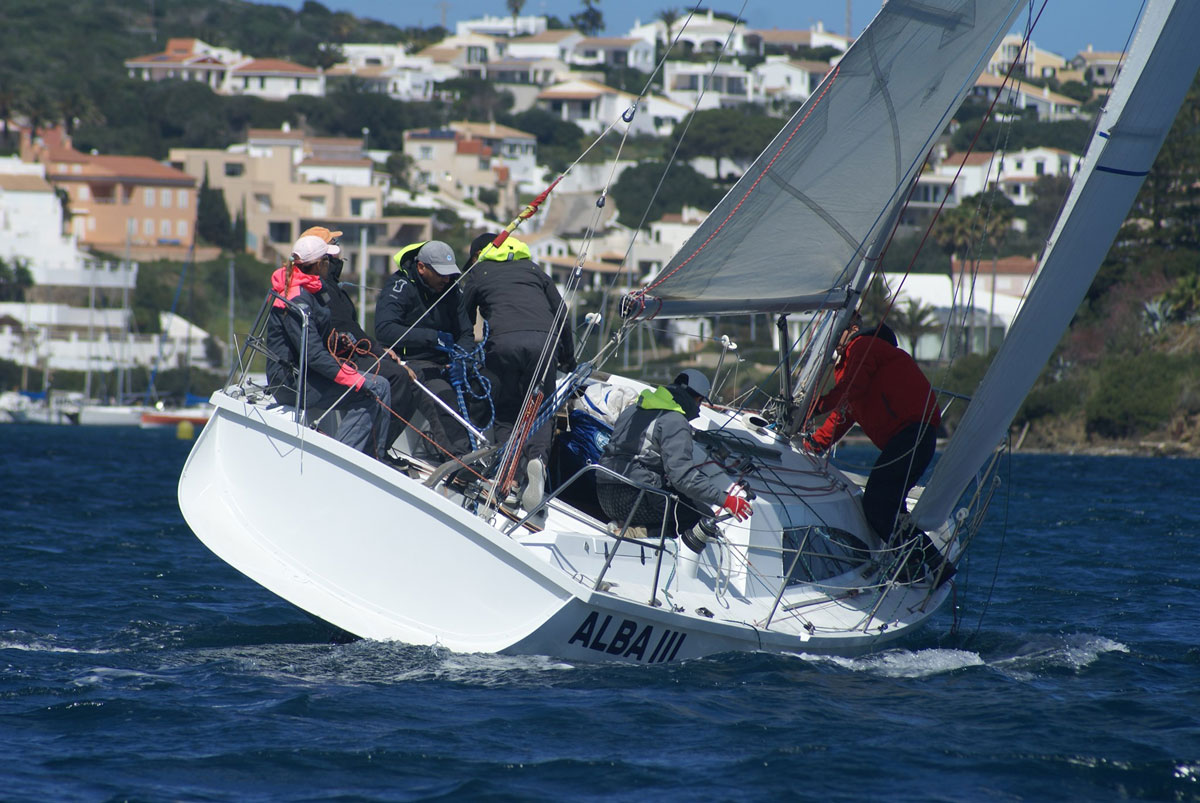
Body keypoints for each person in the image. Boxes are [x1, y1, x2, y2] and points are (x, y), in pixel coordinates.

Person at [803, 320, 950, 582]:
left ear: (854, 327)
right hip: (911, 439)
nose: (835, 334)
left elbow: (851, 390)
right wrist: (814, 444)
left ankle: (925, 563)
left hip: (911, 434)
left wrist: (813, 407)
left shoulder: (863, 346)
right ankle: (916, 569)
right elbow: (845, 413)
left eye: (842, 328)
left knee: (876, 505)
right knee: (891, 507)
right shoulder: (850, 366)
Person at [299, 226, 450, 458]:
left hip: (354, 350)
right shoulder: (314, 288)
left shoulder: (330, 285)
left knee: (414, 375)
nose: (339, 251)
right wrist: (377, 352)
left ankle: (382, 445)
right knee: (397, 379)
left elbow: (352, 328)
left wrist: (382, 351)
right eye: (333, 246)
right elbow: (338, 331)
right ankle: (371, 454)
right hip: (341, 356)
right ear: (322, 258)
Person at [461, 232, 576, 512]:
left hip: (504, 342)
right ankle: (538, 459)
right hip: (544, 341)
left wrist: (461, 350)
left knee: (506, 408)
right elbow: (561, 312)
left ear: (479, 254)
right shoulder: (534, 270)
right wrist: (568, 358)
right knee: (541, 409)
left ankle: (508, 479)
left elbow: (461, 316)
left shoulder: (480, 273)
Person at [597, 369, 753, 552]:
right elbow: (682, 477)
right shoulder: (675, 421)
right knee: (700, 515)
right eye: (701, 402)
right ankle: (636, 533)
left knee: (670, 498)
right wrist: (726, 500)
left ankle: (625, 524)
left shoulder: (635, 408)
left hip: (604, 491)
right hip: (631, 499)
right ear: (697, 400)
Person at [265, 234, 391, 459]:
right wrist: (352, 377)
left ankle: (372, 459)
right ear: (319, 264)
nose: (332, 264)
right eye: (327, 259)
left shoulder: (309, 288)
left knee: (379, 385)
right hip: (290, 381)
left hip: (306, 374)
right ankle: (342, 459)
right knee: (374, 390)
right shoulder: (297, 299)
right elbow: (312, 354)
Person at [374, 240, 478, 458]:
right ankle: (461, 459)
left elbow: (466, 333)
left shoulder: (451, 289)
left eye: (450, 273)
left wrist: (462, 359)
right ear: (421, 267)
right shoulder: (400, 286)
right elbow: (385, 330)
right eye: (441, 273)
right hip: (413, 363)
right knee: (443, 396)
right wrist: (432, 338)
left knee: (484, 388)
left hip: (447, 361)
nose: (447, 278)